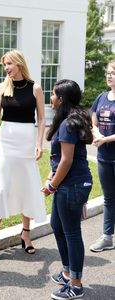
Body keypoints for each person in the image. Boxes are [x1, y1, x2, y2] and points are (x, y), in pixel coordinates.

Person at [0, 49, 47, 263]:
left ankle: (26, 234)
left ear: (19, 63)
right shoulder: (2, 88)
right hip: (6, 141)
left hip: (27, 140)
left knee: (27, 185)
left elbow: (41, 118)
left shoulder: (35, 88)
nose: (6, 68)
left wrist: (39, 144)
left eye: (9, 64)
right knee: (1, 186)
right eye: (4, 65)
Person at [42, 79, 93, 299]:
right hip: (68, 182)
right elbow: (60, 160)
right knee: (57, 224)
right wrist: (52, 176)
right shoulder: (68, 120)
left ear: (61, 99)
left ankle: (76, 284)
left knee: (71, 232)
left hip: (73, 184)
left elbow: (66, 161)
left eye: (53, 94)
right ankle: (66, 271)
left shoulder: (68, 124)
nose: (50, 98)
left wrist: (52, 185)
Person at [89, 59, 115, 252]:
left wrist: (105, 139)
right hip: (104, 158)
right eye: (108, 73)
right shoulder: (102, 97)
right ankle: (107, 237)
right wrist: (96, 133)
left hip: (108, 149)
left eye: (113, 73)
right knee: (108, 198)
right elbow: (93, 118)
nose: (109, 76)